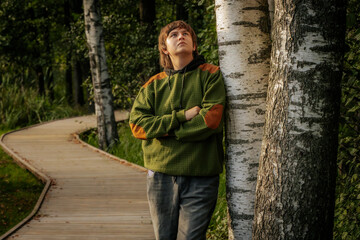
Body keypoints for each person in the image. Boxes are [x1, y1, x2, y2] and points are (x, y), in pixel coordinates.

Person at [129, 20, 226, 240]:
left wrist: (167, 132)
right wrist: (182, 117)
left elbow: (210, 121)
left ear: (194, 45)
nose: (181, 36)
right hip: (160, 176)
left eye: (186, 34)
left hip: (201, 175)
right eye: (173, 35)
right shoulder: (152, 85)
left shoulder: (211, 75)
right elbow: (137, 126)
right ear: (165, 48)